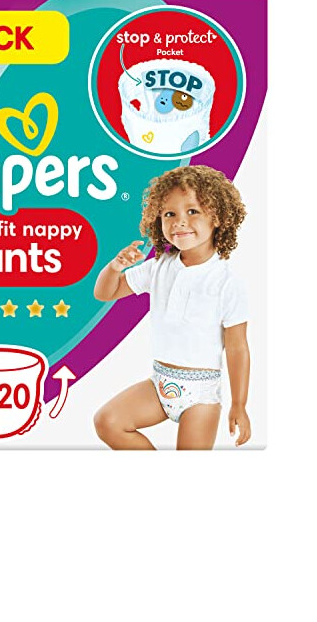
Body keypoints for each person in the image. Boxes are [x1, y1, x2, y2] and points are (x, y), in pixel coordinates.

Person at [92, 165, 251, 450]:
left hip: (200, 396)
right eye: (169, 214)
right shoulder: (158, 267)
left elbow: (237, 347)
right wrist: (115, 267)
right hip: (159, 384)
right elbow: (105, 293)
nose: (179, 222)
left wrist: (239, 404)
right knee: (108, 421)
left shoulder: (226, 282)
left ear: (217, 217)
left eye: (192, 211)